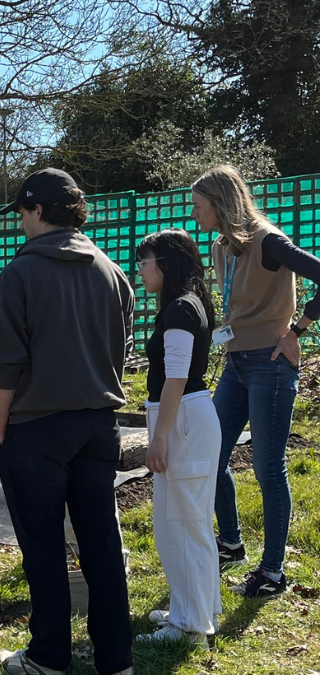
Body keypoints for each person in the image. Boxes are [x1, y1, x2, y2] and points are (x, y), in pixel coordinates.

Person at [0, 168, 134, 675]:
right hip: (100, 424)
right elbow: (123, 349)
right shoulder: (112, 271)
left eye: (22, 213)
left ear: (38, 210)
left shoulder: (19, 274)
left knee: (44, 546)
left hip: (37, 430)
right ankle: (117, 660)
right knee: (102, 546)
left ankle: (49, 657)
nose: (20, 224)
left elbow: (7, 364)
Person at [193, 164, 320, 598]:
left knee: (268, 469)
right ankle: (231, 543)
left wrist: (296, 332)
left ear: (219, 204)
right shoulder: (220, 247)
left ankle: (272, 572)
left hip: (271, 363)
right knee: (210, 454)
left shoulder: (269, 240)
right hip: (235, 363)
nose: (195, 215)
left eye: (199, 206)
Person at [134, 228, 222, 646]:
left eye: (144, 262)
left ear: (165, 264)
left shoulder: (180, 310)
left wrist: (160, 437)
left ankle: (190, 627)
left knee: (182, 526)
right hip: (186, 416)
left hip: (182, 418)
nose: (140, 270)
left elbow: (176, 376)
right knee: (188, 523)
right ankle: (196, 608)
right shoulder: (187, 304)